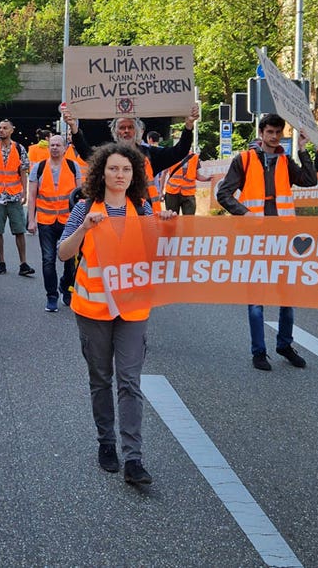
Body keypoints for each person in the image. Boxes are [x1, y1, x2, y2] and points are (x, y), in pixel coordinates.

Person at [58, 143, 173, 486]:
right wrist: (85, 229)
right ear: (101, 173)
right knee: (101, 379)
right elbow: (64, 253)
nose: (119, 175)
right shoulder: (83, 208)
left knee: (129, 381)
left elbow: (159, 256)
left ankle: (133, 458)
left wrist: (167, 227)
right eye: (113, 169)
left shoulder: (144, 208)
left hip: (133, 308)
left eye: (126, 169)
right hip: (93, 309)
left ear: (134, 174)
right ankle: (106, 443)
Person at [215, 114, 317, 371]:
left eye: (277, 132)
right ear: (261, 133)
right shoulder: (245, 159)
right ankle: (259, 352)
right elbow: (223, 193)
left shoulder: (285, 160)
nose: (274, 136)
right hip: (255, 238)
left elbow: (310, 180)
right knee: (256, 298)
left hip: (283, 237)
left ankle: (284, 344)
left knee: (287, 295)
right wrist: (244, 213)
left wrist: (304, 149)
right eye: (270, 132)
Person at [64, 105, 199, 213]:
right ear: (115, 132)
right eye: (122, 128)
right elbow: (86, 153)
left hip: (145, 217)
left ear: (137, 131)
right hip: (114, 215)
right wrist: (74, 129)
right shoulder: (107, 155)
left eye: (130, 127)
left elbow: (179, 152)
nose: (126, 131)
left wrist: (188, 127)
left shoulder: (150, 154)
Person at [26, 133, 81, 312]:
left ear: (65, 148)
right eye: (52, 145)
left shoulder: (74, 167)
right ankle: (51, 296)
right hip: (46, 221)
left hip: (69, 221)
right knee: (48, 259)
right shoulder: (39, 168)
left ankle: (66, 286)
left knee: (69, 260)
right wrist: (31, 220)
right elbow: (32, 196)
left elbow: (81, 195)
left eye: (58, 145)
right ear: (48, 148)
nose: (55, 148)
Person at [0, 119, 33, 276]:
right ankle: (1, 262)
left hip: (14, 196)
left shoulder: (19, 149)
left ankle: (23, 263)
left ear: (12, 130)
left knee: (19, 230)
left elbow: (23, 171)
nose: (1, 130)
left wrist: (24, 192)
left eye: (5, 128)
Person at [162, 148, 200, 216]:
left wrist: (209, 178)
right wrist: (161, 191)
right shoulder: (172, 155)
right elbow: (164, 173)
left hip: (188, 193)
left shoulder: (195, 157)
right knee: (172, 220)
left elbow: (198, 175)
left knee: (189, 220)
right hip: (172, 192)